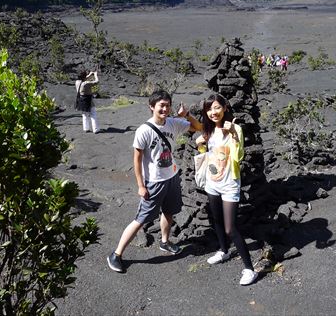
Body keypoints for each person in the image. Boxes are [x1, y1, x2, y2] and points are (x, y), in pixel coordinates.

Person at [107, 90, 202, 273]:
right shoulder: (144, 130)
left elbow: (198, 127)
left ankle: (165, 242)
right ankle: (116, 254)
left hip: (172, 176)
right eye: (161, 105)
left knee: (169, 211)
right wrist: (141, 185)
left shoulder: (174, 123)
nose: (165, 109)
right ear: (152, 107)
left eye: (167, 105)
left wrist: (187, 115)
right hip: (154, 181)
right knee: (141, 219)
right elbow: (137, 159)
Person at [195, 93, 258, 286]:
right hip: (213, 183)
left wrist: (233, 135)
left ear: (225, 108)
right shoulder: (209, 130)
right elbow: (209, 154)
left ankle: (249, 269)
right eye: (209, 108)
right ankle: (223, 250)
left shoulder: (235, 128)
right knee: (216, 219)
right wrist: (200, 147)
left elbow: (238, 156)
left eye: (216, 107)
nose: (213, 112)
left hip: (230, 183)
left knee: (231, 227)